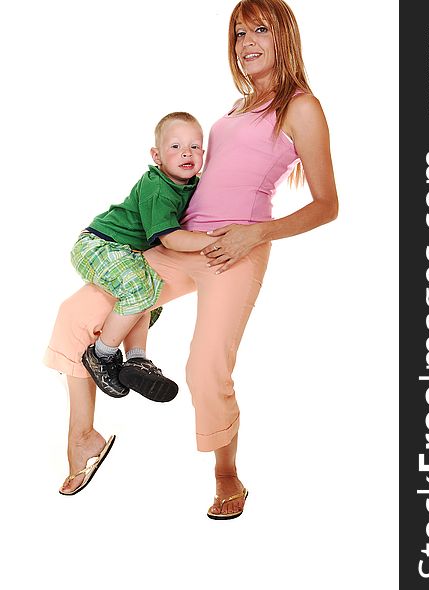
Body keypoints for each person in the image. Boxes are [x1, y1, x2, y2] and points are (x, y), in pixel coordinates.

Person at [44, 0, 339, 516]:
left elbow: (327, 205)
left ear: (284, 36)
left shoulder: (302, 107)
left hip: (236, 250)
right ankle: (83, 440)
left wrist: (255, 235)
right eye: (239, 34)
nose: (246, 43)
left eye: (259, 31)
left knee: (205, 364)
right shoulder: (236, 108)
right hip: (181, 242)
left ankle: (227, 474)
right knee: (75, 316)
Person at [71, 112, 221, 403]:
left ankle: (137, 359)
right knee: (139, 290)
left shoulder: (192, 183)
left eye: (195, 146)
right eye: (175, 147)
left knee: (152, 294)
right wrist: (213, 240)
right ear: (157, 156)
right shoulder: (157, 188)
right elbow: (171, 238)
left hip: (126, 251)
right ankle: (101, 354)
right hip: (98, 244)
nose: (187, 153)